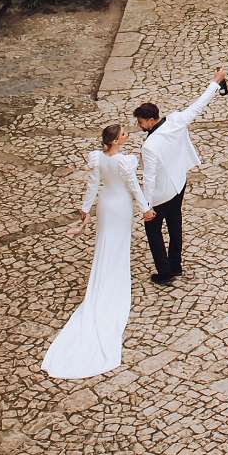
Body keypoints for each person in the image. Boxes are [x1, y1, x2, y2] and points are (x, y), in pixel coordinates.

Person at [41, 123, 154, 380]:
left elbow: (93, 185)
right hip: (120, 206)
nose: (127, 136)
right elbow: (135, 188)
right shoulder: (125, 162)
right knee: (118, 245)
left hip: (105, 205)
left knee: (106, 245)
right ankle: (116, 282)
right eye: (123, 134)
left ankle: (106, 279)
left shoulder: (99, 160)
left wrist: (85, 208)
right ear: (115, 141)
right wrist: (146, 209)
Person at [133, 67, 226, 285]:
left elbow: (149, 178)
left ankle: (164, 273)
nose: (138, 125)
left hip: (160, 195)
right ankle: (176, 265)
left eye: (140, 121)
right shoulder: (176, 120)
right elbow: (198, 105)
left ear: (149, 120)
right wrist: (216, 82)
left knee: (154, 233)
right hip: (179, 185)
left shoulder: (149, 146)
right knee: (175, 226)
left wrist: (146, 207)